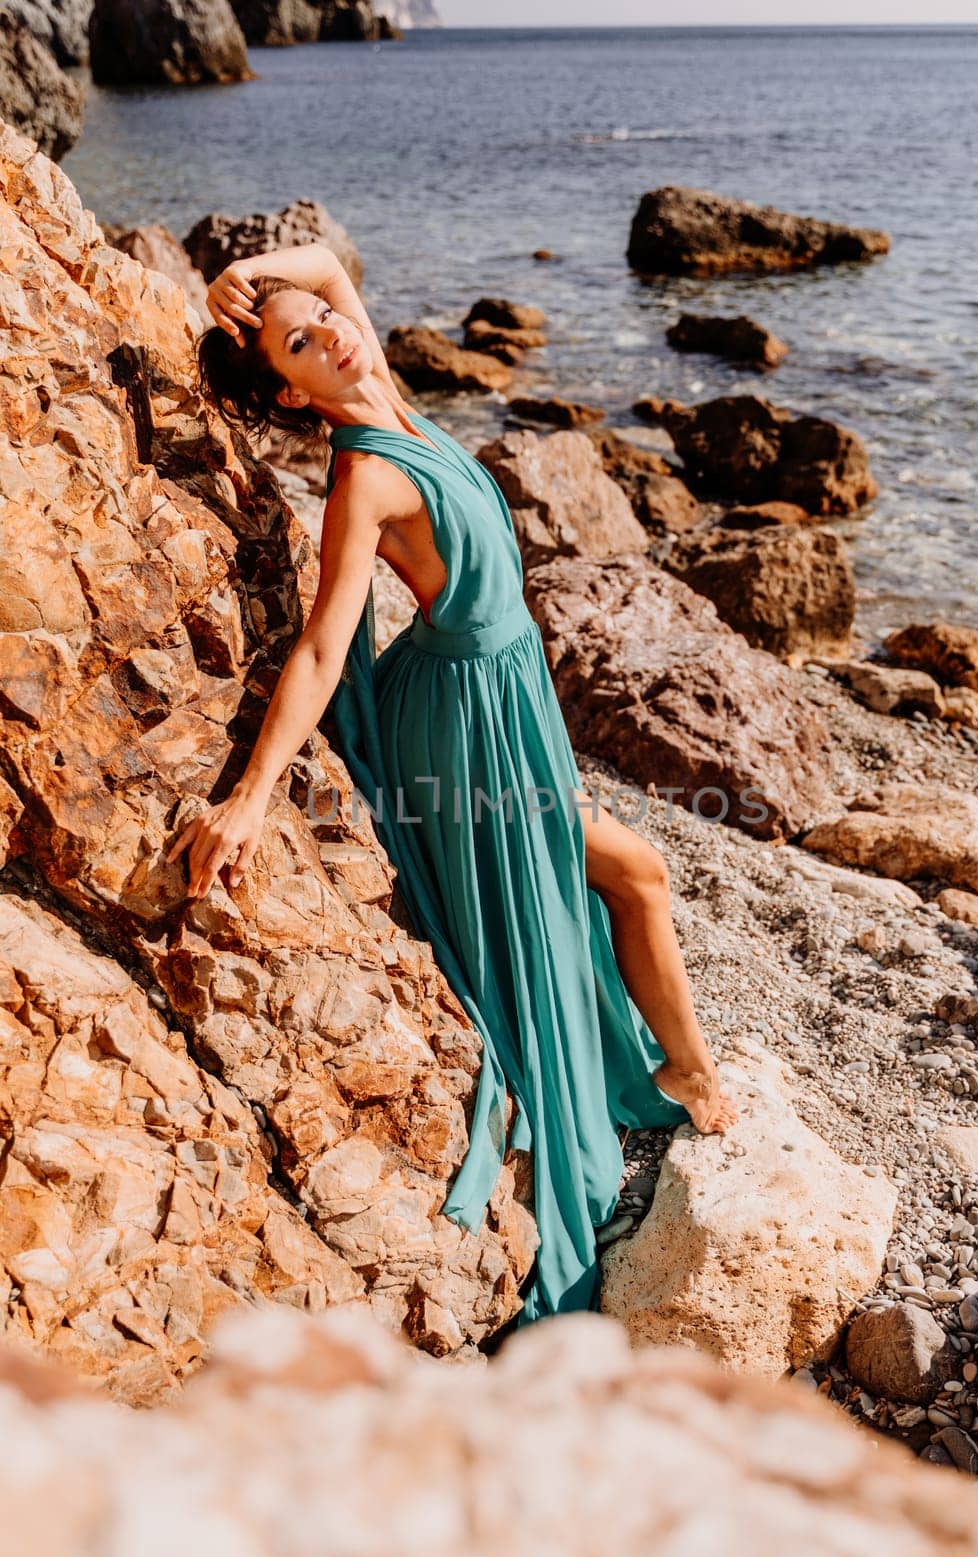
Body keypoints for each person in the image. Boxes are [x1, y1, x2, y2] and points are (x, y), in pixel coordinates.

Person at [170, 242, 738, 1323]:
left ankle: (675, 1067)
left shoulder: (382, 386)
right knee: (636, 871)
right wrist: (249, 795)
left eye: (324, 322)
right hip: (465, 726)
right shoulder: (367, 472)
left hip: (510, 691)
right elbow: (323, 649)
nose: (329, 332)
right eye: (300, 344)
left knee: (615, 876)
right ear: (293, 390)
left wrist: (241, 277)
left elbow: (329, 266)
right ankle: (688, 1075)